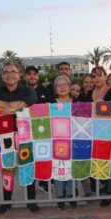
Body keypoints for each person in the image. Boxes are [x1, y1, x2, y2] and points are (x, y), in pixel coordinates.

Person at [0, 62, 39, 214]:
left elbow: (32, 98)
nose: (10, 74)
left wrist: (15, 107)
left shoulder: (26, 89)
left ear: (19, 75)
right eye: (6, 72)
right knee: (7, 169)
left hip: (24, 134)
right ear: (2, 76)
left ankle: (31, 201)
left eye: (13, 72)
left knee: (27, 166)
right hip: (4, 136)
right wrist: (8, 105)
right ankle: (6, 202)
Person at [84, 66, 111, 207]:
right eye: (94, 76)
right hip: (93, 133)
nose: (96, 78)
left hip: (110, 133)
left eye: (99, 75)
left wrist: (106, 105)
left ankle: (110, 192)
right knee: (98, 162)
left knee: (109, 163)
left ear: (106, 76)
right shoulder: (89, 93)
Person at [25, 65, 52, 193]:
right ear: (25, 76)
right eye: (29, 74)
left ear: (38, 76)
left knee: (43, 159)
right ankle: (31, 193)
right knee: (29, 161)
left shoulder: (46, 91)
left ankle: (44, 182)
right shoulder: (20, 91)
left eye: (34, 74)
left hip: (43, 132)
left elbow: (52, 107)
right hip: (26, 133)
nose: (32, 76)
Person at [52, 75, 77, 210]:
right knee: (58, 167)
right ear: (55, 88)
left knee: (71, 167)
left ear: (69, 86)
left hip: (73, 139)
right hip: (56, 140)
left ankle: (71, 194)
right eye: (58, 85)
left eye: (64, 84)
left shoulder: (77, 103)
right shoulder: (51, 103)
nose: (62, 87)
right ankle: (60, 195)